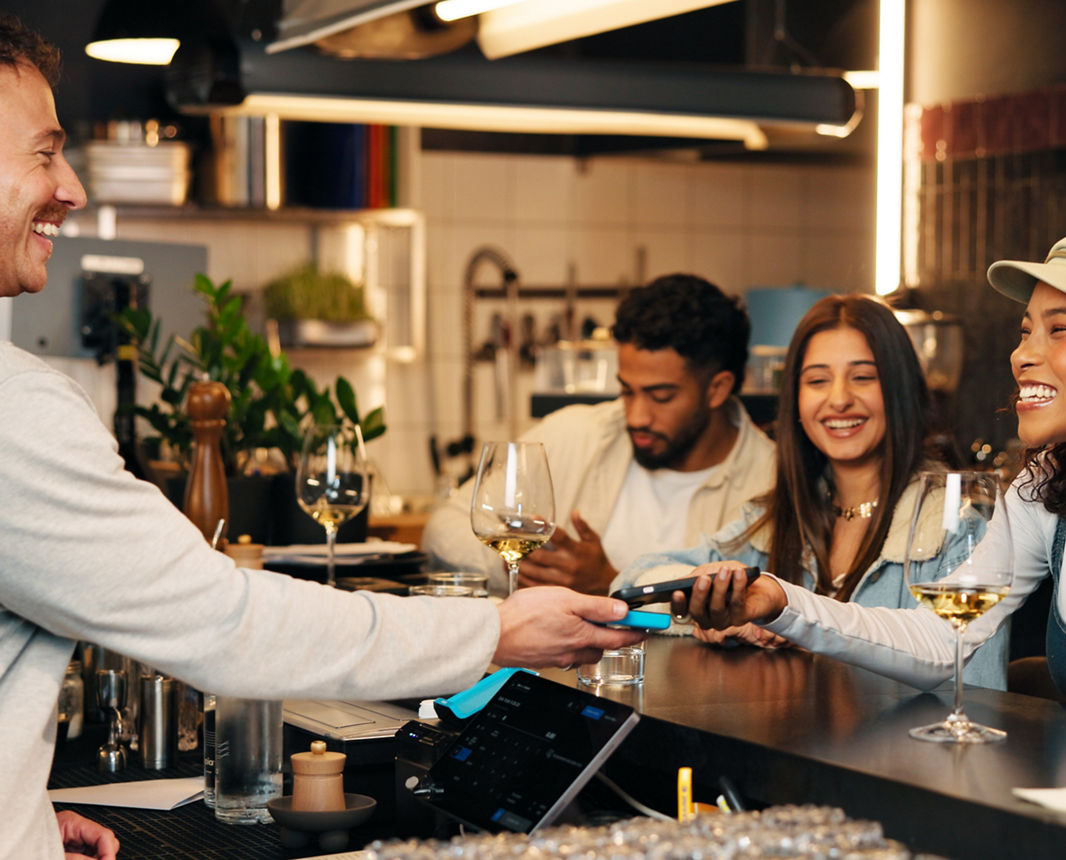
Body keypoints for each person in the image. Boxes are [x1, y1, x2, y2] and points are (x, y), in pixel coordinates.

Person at [0, 16, 646, 859]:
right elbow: (224, 624)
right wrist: (496, 632)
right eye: (46, 154)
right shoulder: (16, 408)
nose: (74, 187)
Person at [675, 228, 1066, 745]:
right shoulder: (1048, 493)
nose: (1022, 355)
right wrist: (782, 602)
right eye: (1026, 330)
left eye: (1060, 329)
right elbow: (942, 638)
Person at [613, 294, 1008, 689]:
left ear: (901, 389)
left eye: (863, 377)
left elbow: (978, 694)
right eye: (817, 380)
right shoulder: (775, 518)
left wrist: (795, 624)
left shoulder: (959, 524)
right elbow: (630, 586)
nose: (839, 399)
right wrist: (713, 610)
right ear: (796, 400)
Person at [422, 274, 776, 595]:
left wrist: (611, 583)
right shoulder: (575, 433)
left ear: (717, 389)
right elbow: (442, 529)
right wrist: (518, 567)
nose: (635, 416)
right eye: (626, 391)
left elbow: (763, 610)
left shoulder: (772, 480)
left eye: (661, 396)